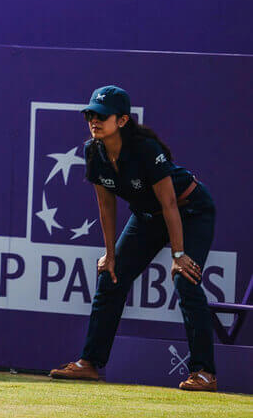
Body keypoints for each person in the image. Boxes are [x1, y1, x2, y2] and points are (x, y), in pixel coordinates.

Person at [47, 86, 218, 392]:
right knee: (111, 276)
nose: (93, 120)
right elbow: (106, 205)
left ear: (122, 120)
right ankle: (89, 363)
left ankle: (204, 372)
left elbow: (169, 204)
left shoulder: (146, 149)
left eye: (101, 115)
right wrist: (110, 254)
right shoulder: (93, 151)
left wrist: (179, 256)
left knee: (184, 280)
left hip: (190, 211)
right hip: (148, 217)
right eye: (89, 115)